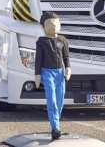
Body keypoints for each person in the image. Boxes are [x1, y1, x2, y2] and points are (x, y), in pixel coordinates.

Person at [34, 12, 71, 140]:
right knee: (52, 99)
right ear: (44, 26)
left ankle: (56, 124)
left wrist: (68, 68)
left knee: (60, 100)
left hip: (60, 73)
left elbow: (66, 57)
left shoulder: (62, 40)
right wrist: (37, 74)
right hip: (47, 72)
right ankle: (55, 128)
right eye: (50, 23)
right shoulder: (41, 42)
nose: (53, 25)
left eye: (55, 22)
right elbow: (38, 60)